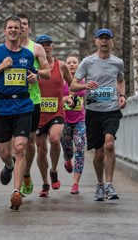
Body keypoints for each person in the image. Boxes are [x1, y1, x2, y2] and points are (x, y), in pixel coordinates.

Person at [0, 16, 38, 210]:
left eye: (17, 28)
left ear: (22, 31)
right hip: (1, 107)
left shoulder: (28, 55)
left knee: (21, 147)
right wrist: (1, 67)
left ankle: (16, 192)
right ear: (5, 31)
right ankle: (9, 165)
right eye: (10, 27)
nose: (13, 30)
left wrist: (33, 77)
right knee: (5, 152)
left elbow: (32, 74)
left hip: (23, 106)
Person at [70, 28, 126, 201]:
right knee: (99, 152)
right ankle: (100, 184)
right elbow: (73, 85)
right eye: (101, 38)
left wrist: (122, 95)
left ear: (112, 42)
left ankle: (109, 185)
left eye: (107, 39)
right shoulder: (87, 62)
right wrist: (86, 86)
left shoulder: (118, 62)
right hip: (93, 111)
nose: (104, 42)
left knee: (109, 144)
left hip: (111, 110)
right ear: (95, 41)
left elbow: (121, 80)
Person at [34, 34, 73, 197]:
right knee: (41, 150)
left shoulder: (61, 66)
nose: (46, 47)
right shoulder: (33, 66)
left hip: (56, 111)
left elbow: (72, 84)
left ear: (52, 46)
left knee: (55, 139)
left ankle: (54, 170)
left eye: (48, 44)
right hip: (38, 113)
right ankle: (44, 183)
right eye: (42, 45)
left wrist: (70, 96)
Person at [17, 14, 50, 196]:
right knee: (12, 145)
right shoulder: (5, 49)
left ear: (29, 28)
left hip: (32, 101)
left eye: (24, 25)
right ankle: (10, 165)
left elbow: (47, 73)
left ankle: (26, 175)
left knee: (28, 143)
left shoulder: (36, 48)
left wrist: (36, 74)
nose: (21, 28)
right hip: (11, 101)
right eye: (17, 25)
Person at [60, 54, 86, 195]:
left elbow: (90, 95)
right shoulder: (61, 81)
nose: (71, 65)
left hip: (80, 119)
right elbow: (55, 96)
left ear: (78, 64)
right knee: (67, 146)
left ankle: (75, 184)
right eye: (69, 62)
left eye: (74, 62)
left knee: (80, 146)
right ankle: (67, 158)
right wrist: (65, 98)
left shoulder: (83, 80)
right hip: (64, 120)